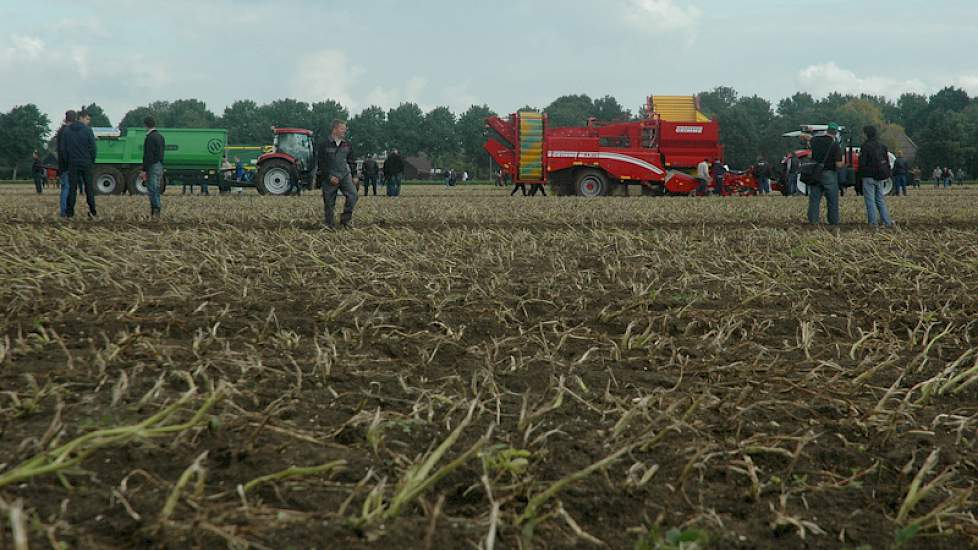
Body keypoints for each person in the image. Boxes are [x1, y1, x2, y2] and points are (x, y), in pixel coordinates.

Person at [317, 119, 358, 229]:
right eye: (342, 128)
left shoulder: (347, 144)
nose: (344, 131)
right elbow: (321, 163)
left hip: (345, 175)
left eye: (345, 129)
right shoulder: (324, 144)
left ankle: (345, 220)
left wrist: (354, 175)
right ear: (334, 129)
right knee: (329, 202)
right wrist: (329, 176)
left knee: (353, 195)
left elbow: (352, 160)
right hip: (330, 176)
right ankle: (329, 224)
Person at [62, 110, 98, 219]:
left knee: (72, 189)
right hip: (86, 162)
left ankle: (70, 212)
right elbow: (93, 148)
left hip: (73, 163)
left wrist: (68, 162)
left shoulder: (67, 131)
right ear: (80, 118)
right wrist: (91, 160)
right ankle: (92, 211)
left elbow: (64, 150)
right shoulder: (88, 130)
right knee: (89, 189)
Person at [807, 123, 844, 226]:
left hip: (815, 173)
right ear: (835, 132)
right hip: (829, 173)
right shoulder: (835, 145)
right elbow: (838, 164)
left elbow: (807, 140)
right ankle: (833, 221)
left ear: (827, 130)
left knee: (814, 199)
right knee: (832, 200)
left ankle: (813, 221)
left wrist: (808, 132)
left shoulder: (815, 140)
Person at [856, 125, 894, 228]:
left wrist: (859, 175)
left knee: (870, 200)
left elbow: (862, 163)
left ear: (866, 134)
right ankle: (887, 221)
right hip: (881, 176)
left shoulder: (866, 146)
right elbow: (887, 162)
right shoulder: (882, 146)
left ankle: (873, 222)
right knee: (880, 199)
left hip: (868, 176)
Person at [140, 116, 165, 218]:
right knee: (157, 188)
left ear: (145, 125)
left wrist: (144, 169)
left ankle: (155, 209)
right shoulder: (160, 136)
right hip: (159, 164)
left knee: (152, 189)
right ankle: (156, 209)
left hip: (152, 165)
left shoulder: (149, 138)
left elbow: (148, 155)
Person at [55, 111, 76, 217]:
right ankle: (64, 211)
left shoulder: (61, 131)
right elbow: (64, 150)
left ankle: (65, 210)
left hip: (62, 164)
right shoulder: (67, 131)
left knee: (65, 187)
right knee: (67, 187)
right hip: (66, 165)